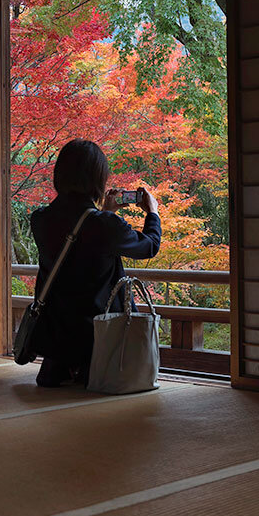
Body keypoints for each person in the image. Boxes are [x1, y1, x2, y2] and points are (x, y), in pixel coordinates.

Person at [28, 139, 161, 387]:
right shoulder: (104, 225)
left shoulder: (40, 219)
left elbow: (79, 247)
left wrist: (106, 213)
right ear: (98, 178)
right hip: (99, 334)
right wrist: (152, 213)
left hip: (57, 333)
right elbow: (149, 246)